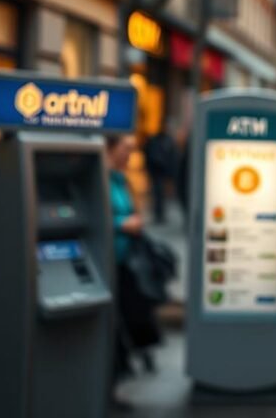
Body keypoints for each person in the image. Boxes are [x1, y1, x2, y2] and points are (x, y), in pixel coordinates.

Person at [106, 135, 159, 406]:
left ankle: (116, 380)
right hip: (108, 263)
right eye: (125, 149)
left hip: (125, 261)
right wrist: (121, 224)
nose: (130, 154)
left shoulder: (121, 180)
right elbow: (99, 214)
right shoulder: (102, 179)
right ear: (110, 149)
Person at [142, 126, 178, 225]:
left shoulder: (157, 142)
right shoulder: (164, 142)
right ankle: (159, 213)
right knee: (159, 193)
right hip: (158, 171)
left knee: (158, 193)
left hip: (157, 171)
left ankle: (159, 213)